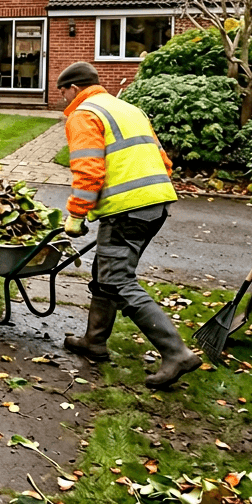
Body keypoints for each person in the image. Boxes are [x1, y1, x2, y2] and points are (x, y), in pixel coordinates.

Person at [57, 62, 201, 389]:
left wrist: (77, 215)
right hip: (155, 203)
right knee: (107, 272)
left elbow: (89, 172)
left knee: (117, 279)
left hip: (127, 210)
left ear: (74, 88)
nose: (63, 98)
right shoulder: (128, 109)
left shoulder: (84, 114)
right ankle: (94, 341)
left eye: (62, 91)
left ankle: (176, 352)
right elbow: (164, 161)